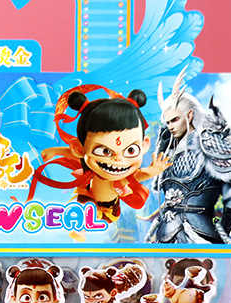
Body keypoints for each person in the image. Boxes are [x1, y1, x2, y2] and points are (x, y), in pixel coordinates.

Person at [29, 85, 169, 224]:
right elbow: (75, 155)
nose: (118, 159)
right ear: (79, 148)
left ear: (143, 146)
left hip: (111, 208)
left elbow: (139, 175)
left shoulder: (122, 178)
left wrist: (153, 171)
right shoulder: (94, 169)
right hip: (88, 199)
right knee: (84, 209)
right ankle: (79, 230)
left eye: (130, 150)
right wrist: (55, 151)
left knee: (102, 220)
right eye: (105, 151)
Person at [147, 76, 231, 244]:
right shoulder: (169, 149)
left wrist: (224, 229)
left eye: (174, 120)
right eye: (168, 122)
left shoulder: (208, 143)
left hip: (200, 235)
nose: (170, 126)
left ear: (189, 115)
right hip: (164, 236)